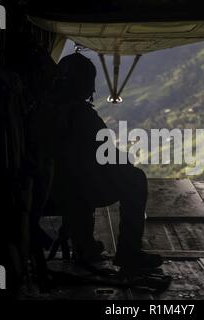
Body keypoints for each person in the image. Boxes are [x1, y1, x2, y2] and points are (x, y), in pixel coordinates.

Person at [35, 52, 162, 273]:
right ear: (82, 84)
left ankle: (86, 245)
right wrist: (126, 163)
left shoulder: (40, 110)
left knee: (82, 180)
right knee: (135, 180)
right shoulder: (82, 116)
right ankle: (128, 251)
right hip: (73, 192)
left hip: (47, 195)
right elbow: (107, 157)